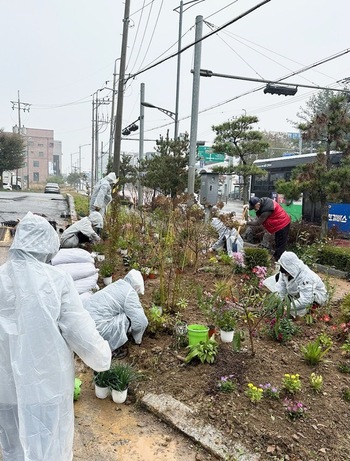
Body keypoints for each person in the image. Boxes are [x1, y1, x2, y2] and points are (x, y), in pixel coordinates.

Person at [0, 212, 111, 461]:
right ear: (48, 246)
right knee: (50, 449)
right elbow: (80, 331)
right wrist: (103, 357)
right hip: (46, 388)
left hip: (5, 390)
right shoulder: (57, 281)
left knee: (13, 449)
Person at [83, 269, 148, 359]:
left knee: (123, 313)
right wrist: (137, 340)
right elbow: (141, 321)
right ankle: (113, 348)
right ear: (137, 287)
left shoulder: (117, 285)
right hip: (98, 330)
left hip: (83, 325)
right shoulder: (130, 293)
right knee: (128, 317)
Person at [275, 251, 328, 317]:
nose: (284, 274)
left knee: (296, 314)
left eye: (286, 272)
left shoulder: (307, 276)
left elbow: (306, 300)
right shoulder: (284, 271)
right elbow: (281, 287)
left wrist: (287, 307)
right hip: (297, 294)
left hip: (313, 298)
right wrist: (277, 302)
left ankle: (310, 312)